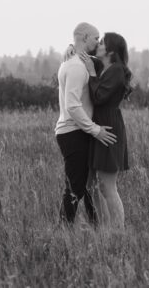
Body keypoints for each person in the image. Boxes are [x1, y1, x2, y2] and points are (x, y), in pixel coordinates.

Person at [55, 22, 116, 226]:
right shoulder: (75, 66)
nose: (98, 42)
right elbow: (72, 106)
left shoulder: (76, 62)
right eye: (95, 38)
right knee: (76, 186)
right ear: (84, 37)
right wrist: (95, 130)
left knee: (87, 186)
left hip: (78, 130)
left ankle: (96, 227)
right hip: (73, 132)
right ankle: (64, 231)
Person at [89, 31, 132, 229]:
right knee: (98, 185)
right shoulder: (104, 68)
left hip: (109, 128)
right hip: (99, 126)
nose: (98, 44)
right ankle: (105, 229)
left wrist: (90, 74)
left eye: (102, 43)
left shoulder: (116, 70)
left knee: (108, 186)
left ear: (111, 51)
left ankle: (118, 232)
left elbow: (99, 97)